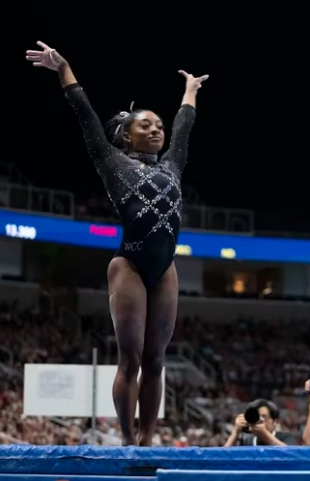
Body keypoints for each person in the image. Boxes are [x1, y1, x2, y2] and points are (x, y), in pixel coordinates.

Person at [25, 41, 209, 446]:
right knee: (130, 359)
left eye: (158, 125)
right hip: (129, 264)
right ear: (126, 136)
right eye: (146, 125)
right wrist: (64, 69)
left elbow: (184, 127)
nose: (156, 129)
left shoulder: (173, 164)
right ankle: (126, 440)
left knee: (156, 360)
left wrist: (190, 91)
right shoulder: (112, 161)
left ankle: (147, 440)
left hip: (165, 268)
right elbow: (85, 116)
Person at [224, 399, 297, 447]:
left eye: (264, 417)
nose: (260, 420)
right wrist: (235, 432)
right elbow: (223, 456)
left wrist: (265, 434)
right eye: (257, 417)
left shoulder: (286, 437)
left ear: (275, 422)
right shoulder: (247, 440)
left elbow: (291, 454)